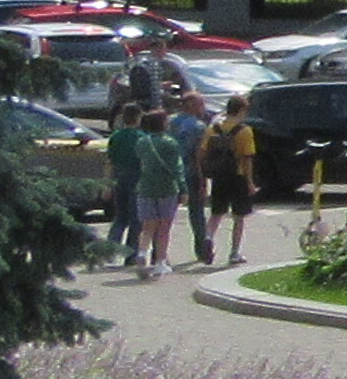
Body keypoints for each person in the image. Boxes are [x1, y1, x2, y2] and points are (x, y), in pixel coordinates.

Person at [108, 103, 189, 278]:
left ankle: (140, 254)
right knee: (163, 227)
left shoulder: (140, 142)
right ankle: (159, 261)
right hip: (165, 187)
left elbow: (115, 160)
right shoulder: (168, 143)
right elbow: (177, 168)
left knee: (142, 225)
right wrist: (183, 189)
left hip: (141, 186)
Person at [192, 94, 260, 266]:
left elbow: (202, 152)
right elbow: (247, 158)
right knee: (239, 216)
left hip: (219, 176)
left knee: (216, 213)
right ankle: (234, 252)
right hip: (238, 176)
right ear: (241, 110)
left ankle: (208, 238)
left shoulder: (213, 128)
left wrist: (204, 174)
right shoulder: (244, 130)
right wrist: (250, 182)